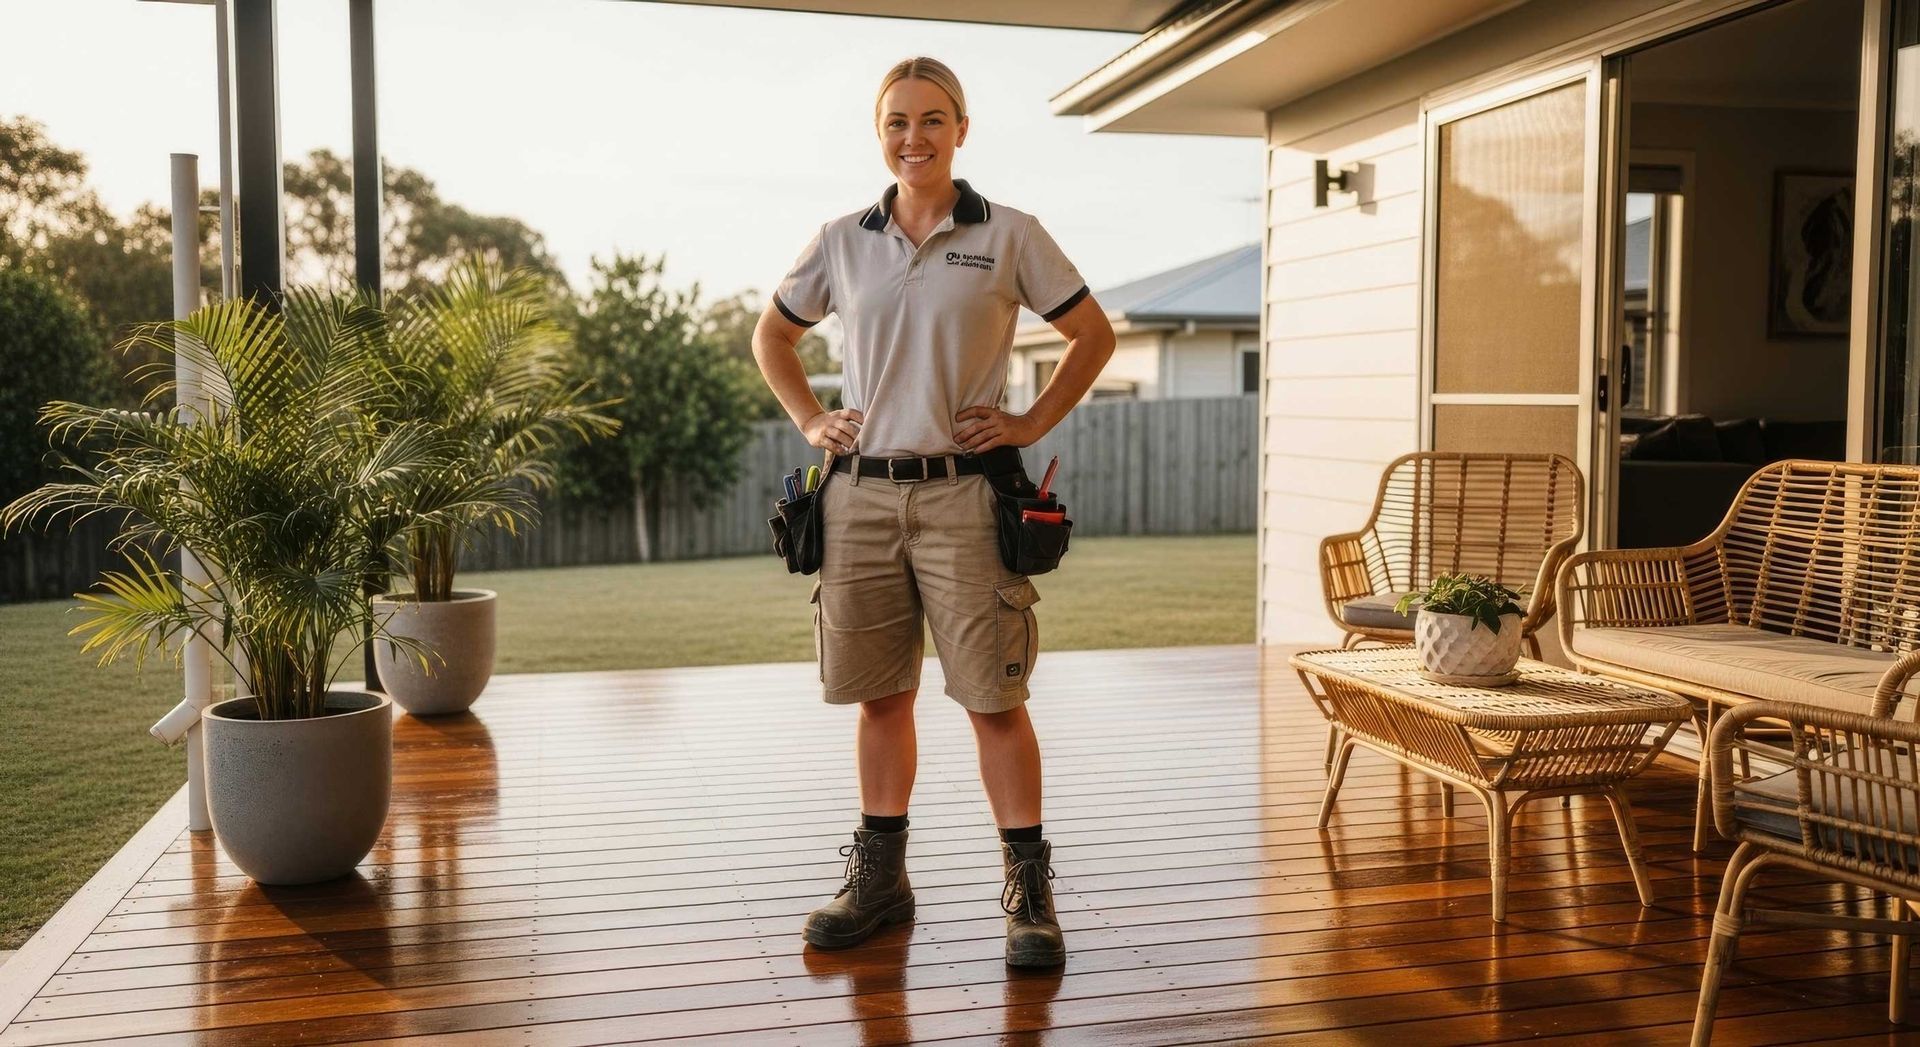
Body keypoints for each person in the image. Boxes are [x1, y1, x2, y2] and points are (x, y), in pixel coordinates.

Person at [751, 56, 1116, 968]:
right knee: (882, 697)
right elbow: (774, 334)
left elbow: (1093, 334)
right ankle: (882, 879)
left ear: (961, 130)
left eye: (933, 120)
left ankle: (1028, 892)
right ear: (880, 134)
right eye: (897, 122)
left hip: (964, 495)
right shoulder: (841, 238)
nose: (914, 137)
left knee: (995, 701)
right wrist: (808, 417)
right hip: (860, 496)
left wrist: (1030, 419)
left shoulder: (1011, 235)